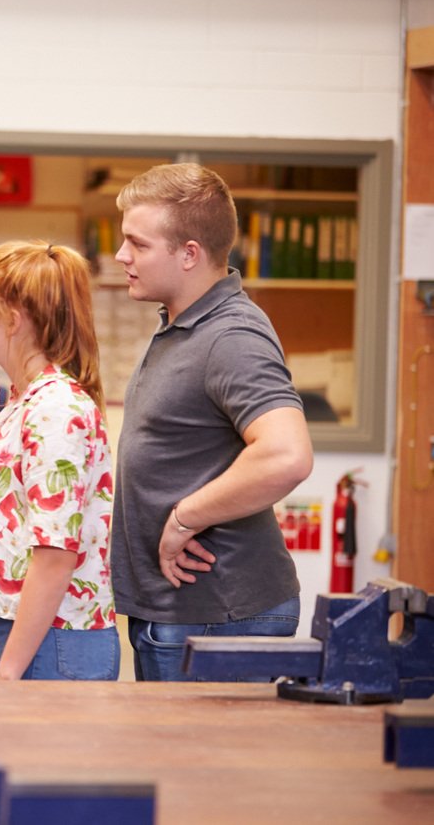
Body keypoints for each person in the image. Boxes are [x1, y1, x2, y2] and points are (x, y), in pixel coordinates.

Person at [111, 162, 313, 681]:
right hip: (182, 613)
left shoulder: (231, 335)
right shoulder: (183, 326)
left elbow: (286, 454)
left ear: (189, 254)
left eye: (137, 244)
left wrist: (185, 517)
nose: (121, 256)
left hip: (217, 616)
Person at [0, 241, 119, 680]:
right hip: (29, 633)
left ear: (13, 320)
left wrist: (7, 673)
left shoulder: (56, 410)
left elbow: (54, 555)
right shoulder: (26, 400)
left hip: (54, 641)